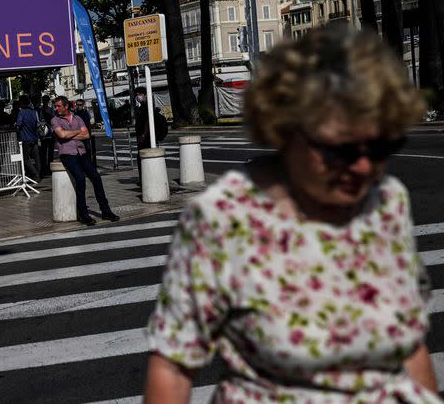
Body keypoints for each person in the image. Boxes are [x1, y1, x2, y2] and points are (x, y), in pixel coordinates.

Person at [144, 26, 438, 403]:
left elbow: (409, 345)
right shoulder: (223, 219)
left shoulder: (386, 201)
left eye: (382, 146)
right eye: (341, 150)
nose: (365, 167)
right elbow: (172, 366)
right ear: (285, 129)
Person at [51, 96, 119, 226]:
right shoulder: (55, 120)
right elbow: (61, 135)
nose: (57, 108)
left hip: (81, 152)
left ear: (66, 106)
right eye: (56, 106)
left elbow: (87, 134)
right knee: (80, 179)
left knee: (96, 177)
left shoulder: (78, 118)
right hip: (68, 154)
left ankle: (106, 210)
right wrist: (77, 132)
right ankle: (83, 214)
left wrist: (70, 133)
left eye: (59, 106)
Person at [15, 95, 42, 181]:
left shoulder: (22, 112)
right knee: (36, 157)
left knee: (26, 159)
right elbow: (38, 123)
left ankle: (35, 175)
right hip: (35, 138)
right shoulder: (34, 112)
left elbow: (18, 124)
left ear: (22, 103)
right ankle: (38, 173)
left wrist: (15, 125)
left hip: (26, 139)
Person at [39, 95, 55, 177]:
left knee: (47, 152)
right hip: (46, 133)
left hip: (47, 133)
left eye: (45, 100)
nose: (45, 101)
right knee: (46, 152)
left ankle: (47, 168)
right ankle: (46, 168)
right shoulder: (44, 110)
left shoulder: (43, 110)